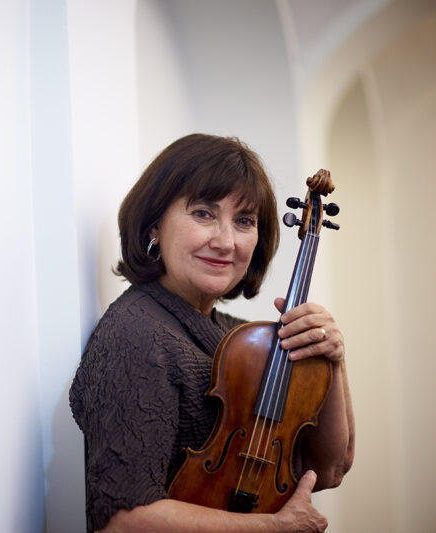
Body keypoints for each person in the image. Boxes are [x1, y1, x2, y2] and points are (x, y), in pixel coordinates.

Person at [69, 134, 355, 533]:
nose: (226, 242)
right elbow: (123, 521)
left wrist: (333, 359)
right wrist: (275, 527)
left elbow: (329, 468)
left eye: (244, 221)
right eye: (203, 213)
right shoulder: (137, 336)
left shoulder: (245, 340)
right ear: (154, 226)